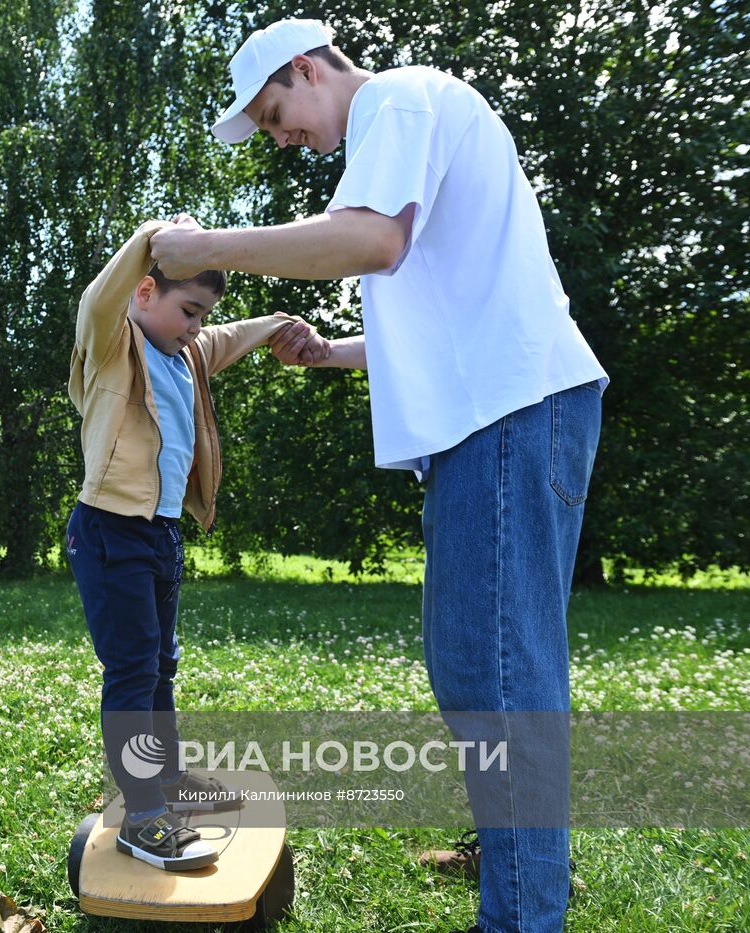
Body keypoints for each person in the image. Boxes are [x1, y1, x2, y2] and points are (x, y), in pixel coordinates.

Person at [150, 19, 607, 932]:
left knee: (497, 677)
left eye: (277, 113)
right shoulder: (417, 121)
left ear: (309, 69)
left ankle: (521, 913)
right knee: (483, 670)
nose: (283, 137)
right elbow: (434, 308)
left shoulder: (396, 99)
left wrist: (208, 244)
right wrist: (331, 352)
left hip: (506, 418)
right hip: (501, 414)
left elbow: (369, 243)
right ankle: (514, 871)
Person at [67, 214, 322, 871]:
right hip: (110, 530)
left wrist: (275, 324)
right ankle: (142, 814)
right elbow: (99, 297)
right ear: (145, 292)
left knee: (160, 666)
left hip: (159, 534)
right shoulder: (113, 343)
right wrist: (156, 235)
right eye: (188, 309)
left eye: (203, 313)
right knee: (131, 669)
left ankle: (169, 779)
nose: (196, 326)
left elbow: (230, 339)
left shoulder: (187, 356)